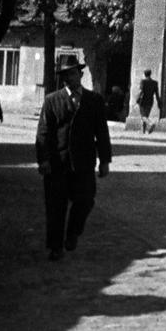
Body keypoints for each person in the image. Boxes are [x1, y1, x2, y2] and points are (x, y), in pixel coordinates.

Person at [36, 54, 112, 262]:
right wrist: (43, 160)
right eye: (64, 74)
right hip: (57, 164)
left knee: (86, 201)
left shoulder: (94, 101)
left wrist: (104, 161)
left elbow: (102, 132)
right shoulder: (52, 101)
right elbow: (43, 132)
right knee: (55, 207)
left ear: (80, 74)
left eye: (71, 73)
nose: (68, 78)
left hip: (84, 164)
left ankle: (73, 232)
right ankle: (56, 247)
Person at [137, 69, 162, 135]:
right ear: (150, 74)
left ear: (144, 74)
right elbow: (157, 93)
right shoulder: (155, 83)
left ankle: (150, 124)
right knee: (146, 116)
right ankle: (143, 131)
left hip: (143, 101)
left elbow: (141, 91)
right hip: (150, 101)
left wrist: (137, 99)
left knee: (143, 116)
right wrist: (158, 102)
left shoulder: (143, 81)